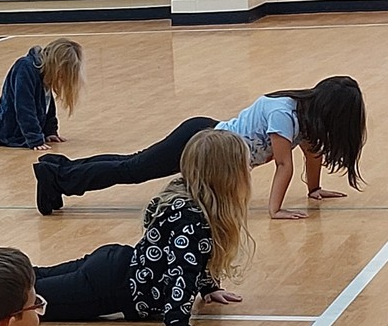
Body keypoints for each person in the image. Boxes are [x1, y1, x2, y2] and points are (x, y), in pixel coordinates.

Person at [0, 129, 253, 326]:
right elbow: (180, 273)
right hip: (105, 286)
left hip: (111, 266)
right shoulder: (194, 216)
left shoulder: (187, 199)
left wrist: (209, 288)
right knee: (12, 296)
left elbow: (186, 261)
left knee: (25, 277)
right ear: (224, 176)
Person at [34, 76, 366, 219]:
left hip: (210, 145)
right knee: (132, 169)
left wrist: (315, 189)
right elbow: (283, 165)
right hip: (201, 143)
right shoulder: (285, 113)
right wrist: (275, 210)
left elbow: (311, 154)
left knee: (132, 165)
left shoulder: (306, 117)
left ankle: (59, 172)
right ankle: (57, 176)